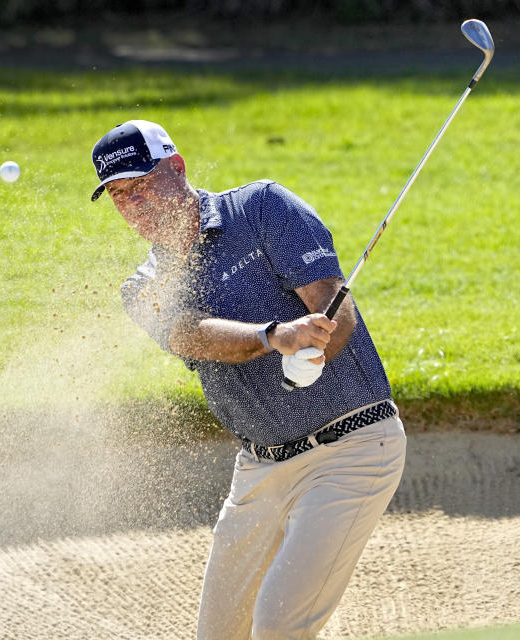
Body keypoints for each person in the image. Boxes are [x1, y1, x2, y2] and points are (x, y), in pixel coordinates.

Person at [90, 120, 406, 640]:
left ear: (177, 168)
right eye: (119, 196)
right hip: (260, 469)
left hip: (353, 448)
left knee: (278, 626)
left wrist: (315, 342)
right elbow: (187, 334)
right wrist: (273, 336)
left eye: (141, 184)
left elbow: (336, 310)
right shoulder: (143, 286)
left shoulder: (262, 209)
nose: (134, 204)